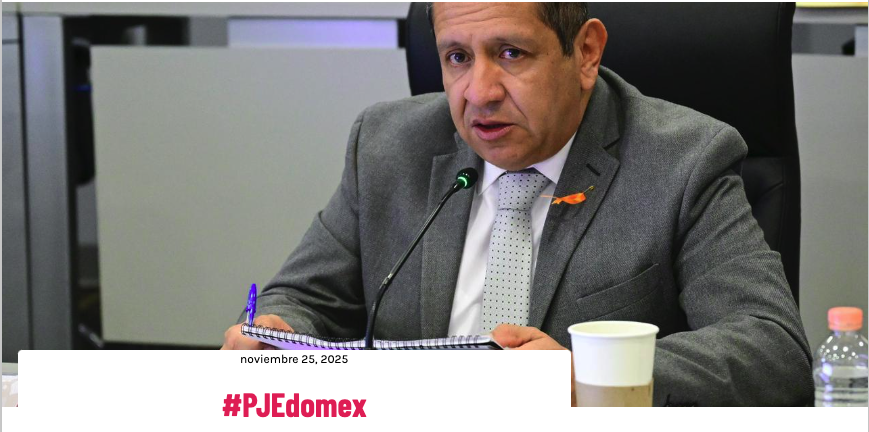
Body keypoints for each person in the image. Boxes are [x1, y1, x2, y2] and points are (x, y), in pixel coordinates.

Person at [222, 2, 813, 406]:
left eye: (510, 53)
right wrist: (275, 334)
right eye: (457, 57)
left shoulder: (683, 161)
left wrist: (587, 375)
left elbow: (772, 351)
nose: (479, 92)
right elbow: (302, 300)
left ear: (586, 53)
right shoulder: (386, 146)